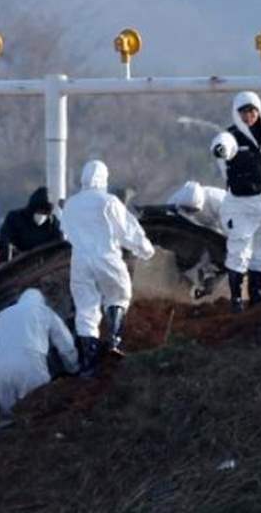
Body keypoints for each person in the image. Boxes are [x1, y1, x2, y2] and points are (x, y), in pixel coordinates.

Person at [58, 158, 155, 371]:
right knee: (118, 295)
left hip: (80, 261)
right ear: (104, 178)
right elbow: (127, 231)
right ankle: (114, 341)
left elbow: (64, 234)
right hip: (106, 257)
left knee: (86, 309)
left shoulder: (71, 204)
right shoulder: (108, 201)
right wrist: (145, 250)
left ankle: (88, 362)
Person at [213, 90, 261, 312]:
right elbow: (222, 149)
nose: (248, 116)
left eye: (252, 111)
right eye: (243, 112)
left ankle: (256, 296)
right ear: (236, 114)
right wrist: (221, 149)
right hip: (242, 202)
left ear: (259, 111)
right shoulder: (231, 136)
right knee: (239, 249)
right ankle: (236, 300)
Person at [0, 287, 77, 412]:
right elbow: (65, 342)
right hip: (29, 365)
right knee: (40, 412)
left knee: (12, 420)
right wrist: (73, 368)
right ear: (41, 301)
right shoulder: (43, 311)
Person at [0, 186, 63, 263]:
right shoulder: (15, 218)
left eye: (45, 212)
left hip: (45, 264)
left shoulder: (53, 223)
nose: (41, 214)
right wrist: (8, 255)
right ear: (32, 208)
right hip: (16, 262)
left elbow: (60, 245)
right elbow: (4, 240)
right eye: (39, 210)